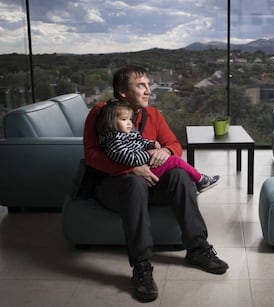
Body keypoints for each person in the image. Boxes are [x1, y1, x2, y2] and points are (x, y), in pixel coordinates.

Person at [83, 64, 229, 302]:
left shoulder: (154, 115)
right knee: (133, 183)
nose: (148, 91)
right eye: (141, 86)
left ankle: (197, 248)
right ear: (122, 92)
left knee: (181, 176)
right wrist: (131, 168)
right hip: (115, 187)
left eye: (149, 85)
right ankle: (141, 266)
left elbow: (174, 145)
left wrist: (167, 152)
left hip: (151, 183)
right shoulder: (102, 112)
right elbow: (91, 155)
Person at [95, 98, 220, 193]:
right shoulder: (114, 142)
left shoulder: (126, 134)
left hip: (145, 165)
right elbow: (128, 158)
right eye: (124, 120)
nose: (129, 123)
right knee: (175, 161)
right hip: (141, 172)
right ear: (111, 123)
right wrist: (149, 155)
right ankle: (201, 180)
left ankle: (193, 182)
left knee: (176, 167)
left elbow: (139, 143)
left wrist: (150, 144)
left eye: (129, 120)